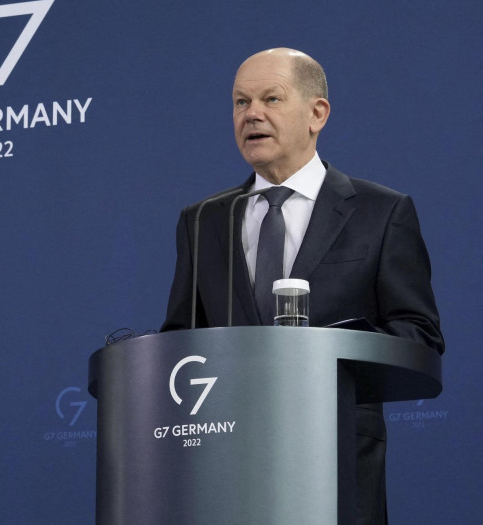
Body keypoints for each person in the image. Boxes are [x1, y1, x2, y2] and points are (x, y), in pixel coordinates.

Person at [161, 49, 443, 524]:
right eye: (240, 102)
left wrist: (327, 352)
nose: (252, 114)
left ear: (317, 114)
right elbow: (180, 341)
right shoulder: (204, 219)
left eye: (271, 98)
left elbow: (420, 335)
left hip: (334, 459)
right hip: (224, 465)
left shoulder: (381, 212)